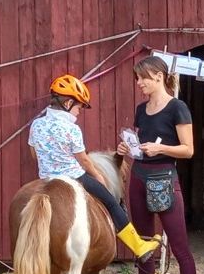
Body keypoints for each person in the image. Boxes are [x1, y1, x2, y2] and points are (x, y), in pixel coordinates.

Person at [28, 74, 160, 262]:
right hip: (74, 177)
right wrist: (98, 176)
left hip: (46, 179)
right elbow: (84, 160)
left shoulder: (37, 124)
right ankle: (138, 246)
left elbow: (34, 154)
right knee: (112, 203)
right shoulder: (71, 129)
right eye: (79, 107)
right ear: (67, 104)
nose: (79, 111)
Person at [116, 56, 199, 274]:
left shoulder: (178, 108)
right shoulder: (141, 110)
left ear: (159, 77)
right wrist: (130, 150)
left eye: (143, 78)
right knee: (143, 244)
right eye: (138, 78)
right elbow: (142, 145)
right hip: (139, 178)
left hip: (164, 178)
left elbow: (188, 150)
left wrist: (160, 149)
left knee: (180, 247)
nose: (139, 83)